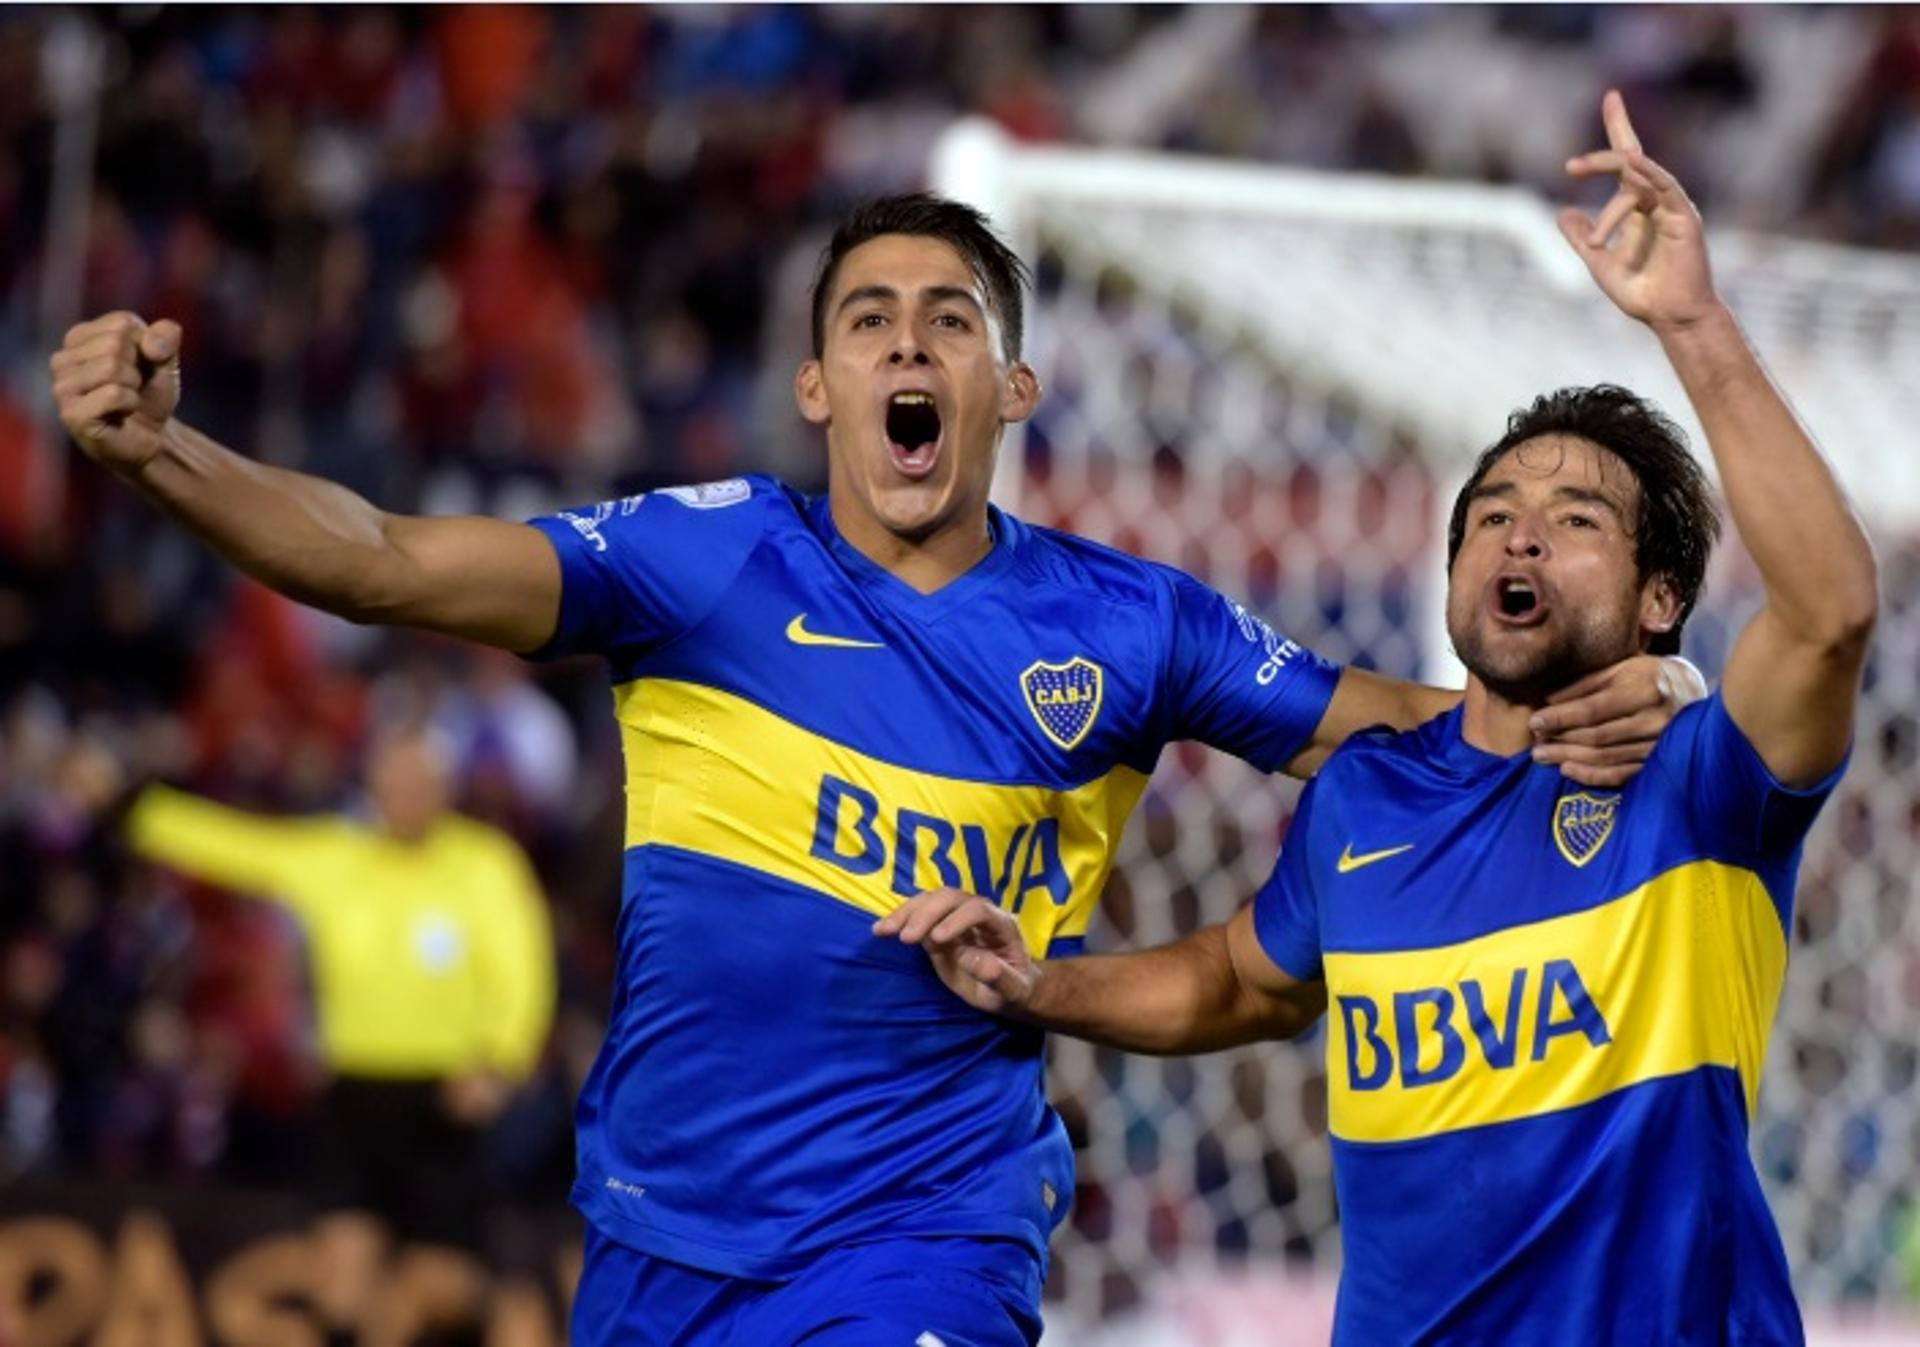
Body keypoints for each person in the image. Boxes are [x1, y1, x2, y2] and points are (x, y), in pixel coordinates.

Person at [52, 191, 1697, 1346]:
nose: (911, 344)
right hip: (655, 1229)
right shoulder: (697, 562)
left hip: (927, 1226)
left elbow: (1390, 720)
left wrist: (1638, 694)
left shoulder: (1129, 626)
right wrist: (161, 452)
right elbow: (390, 560)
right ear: (821, 386)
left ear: (1011, 387)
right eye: (870, 319)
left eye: (951, 320)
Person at [881, 92, 1877, 1344]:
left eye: (1578, 519)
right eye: (1494, 511)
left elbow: (1831, 611)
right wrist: (1040, 985)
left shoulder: (1697, 783)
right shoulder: (1362, 797)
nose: (1519, 528)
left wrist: (1690, 319)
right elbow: (1243, 981)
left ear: (1659, 601)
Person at [123, 724, 556, 1331]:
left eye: (420, 783)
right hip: (352, 1096)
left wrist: (500, 1061)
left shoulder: (483, 863)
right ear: (372, 787)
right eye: (394, 782)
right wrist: (136, 807)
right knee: (341, 1287)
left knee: (441, 1288)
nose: (406, 796)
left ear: (443, 789)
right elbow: (238, 847)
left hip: (445, 1099)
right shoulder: (333, 856)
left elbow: (522, 969)